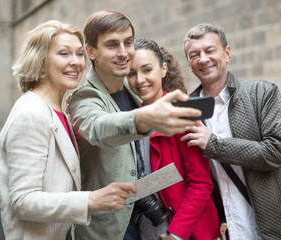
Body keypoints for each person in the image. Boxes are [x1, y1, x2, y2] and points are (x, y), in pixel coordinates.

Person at [0, 20, 137, 240]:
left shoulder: (57, 111)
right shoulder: (31, 114)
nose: (75, 62)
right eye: (64, 54)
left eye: (78, 54)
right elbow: (23, 201)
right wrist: (91, 200)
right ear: (41, 62)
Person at [68, 10, 201, 240]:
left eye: (128, 43)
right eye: (112, 45)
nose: (123, 53)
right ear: (91, 51)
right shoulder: (84, 98)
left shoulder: (131, 89)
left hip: (144, 226)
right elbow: (99, 128)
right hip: (108, 231)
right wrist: (146, 118)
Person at [180, 23, 281, 239]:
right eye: (194, 55)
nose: (203, 59)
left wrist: (214, 145)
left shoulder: (262, 93)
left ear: (226, 53)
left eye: (210, 50)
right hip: (228, 229)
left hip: (275, 228)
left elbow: (278, 152)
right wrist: (219, 216)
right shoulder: (188, 111)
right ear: (190, 64)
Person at [127, 38, 221, 240]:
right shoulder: (132, 119)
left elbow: (201, 183)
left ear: (163, 69)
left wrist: (175, 234)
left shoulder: (183, 115)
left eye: (147, 70)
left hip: (186, 232)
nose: (140, 80)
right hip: (149, 231)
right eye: (131, 74)